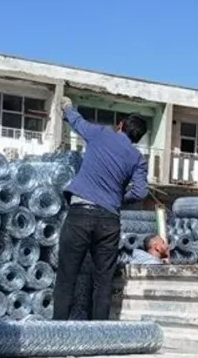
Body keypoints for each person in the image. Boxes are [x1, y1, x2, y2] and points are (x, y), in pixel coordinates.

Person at [52, 97, 149, 321]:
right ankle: (100, 335)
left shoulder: (101, 134)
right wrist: (117, 196)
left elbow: (78, 123)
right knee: (103, 281)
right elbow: (141, 192)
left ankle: (56, 331)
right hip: (109, 221)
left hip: (81, 213)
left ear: (121, 125)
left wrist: (67, 107)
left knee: (67, 276)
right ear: (138, 137)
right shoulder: (137, 158)